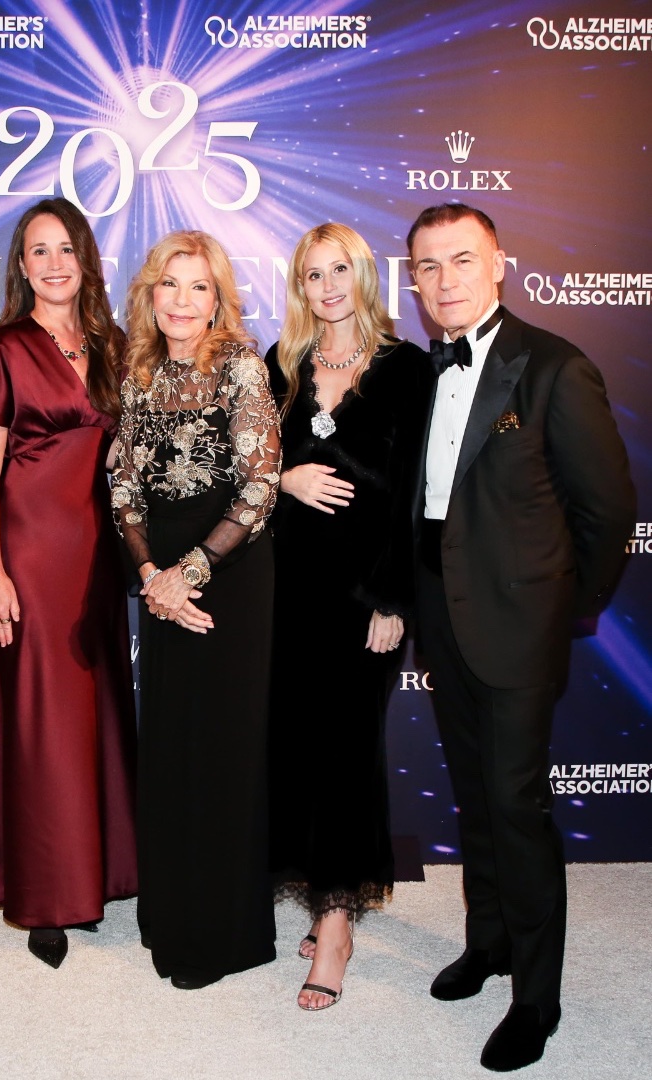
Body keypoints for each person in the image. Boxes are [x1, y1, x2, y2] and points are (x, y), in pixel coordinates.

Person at [408, 203, 634, 1071]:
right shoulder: (424, 369)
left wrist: (563, 611)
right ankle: (489, 943)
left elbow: (607, 512)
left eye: (462, 259)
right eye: (428, 266)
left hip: (519, 627)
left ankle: (537, 999)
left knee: (516, 807)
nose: (446, 280)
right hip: (442, 617)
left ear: (500, 263)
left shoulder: (554, 368)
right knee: (475, 797)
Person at [0, 197, 137, 969]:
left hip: (97, 561)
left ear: (85, 258)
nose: (55, 263)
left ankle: (93, 875)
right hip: (30, 560)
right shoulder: (7, 346)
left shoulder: (113, 345)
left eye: (66, 248)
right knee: (42, 730)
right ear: (22, 266)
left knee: (92, 721)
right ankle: (45, 898)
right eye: (39, 250)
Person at [265, 223, 433, 1011]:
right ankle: (319, 892)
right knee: (298, 748)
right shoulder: (284, 364)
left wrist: (395, 599)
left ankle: (336, 926)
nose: (327, 287)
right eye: (313, 274)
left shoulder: (406, 368)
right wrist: (286, 479)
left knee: (346, 752)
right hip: (286, 591)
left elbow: (416, 492)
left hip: (364, 597)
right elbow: (247, 465)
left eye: (340, 271)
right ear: (299, 285)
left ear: (364, 276)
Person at [111, 230, 281, 990]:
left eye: (199, 286)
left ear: (218, 299)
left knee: (222, 750)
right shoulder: (139, 370)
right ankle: (171, 914)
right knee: (172, 747)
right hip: (161, 583)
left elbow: (260, 486)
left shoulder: (240, 366)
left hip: (229, 576)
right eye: (169, 285)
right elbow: (122, 485)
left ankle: (222, 935)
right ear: (151, 294)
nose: (182, 300)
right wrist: (153, 574)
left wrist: (191, 572)